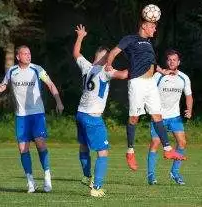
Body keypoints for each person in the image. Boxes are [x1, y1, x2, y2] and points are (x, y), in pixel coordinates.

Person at [105, 19, 186, 171]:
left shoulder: (149, 44)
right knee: (134, 118)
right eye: (153, 27)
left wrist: (163, 71)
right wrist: (109, 64)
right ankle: (130, 152)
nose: (155, 30)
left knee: (157, 116)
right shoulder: (130, 39)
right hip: (137, 82)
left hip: (150, 83)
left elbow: (152, 65)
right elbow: (114, 52)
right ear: (144, 25)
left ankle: (168, 150)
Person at [0, 45, 64, 193]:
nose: (28, 55)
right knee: (22, 148)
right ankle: (30, 182)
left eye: (29, 53)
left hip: (37, 114)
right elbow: (3, 85)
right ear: (18, 57)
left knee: (40, 144)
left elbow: (50, 84)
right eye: (25, 53)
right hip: (21, 116)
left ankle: (47, 177)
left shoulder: (37, 69)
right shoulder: (12, 71)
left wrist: (58, 101)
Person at [73, 24, 127, 197]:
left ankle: (86, 176)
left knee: (83, 146)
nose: (108, 61)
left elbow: (76, 54)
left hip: (80, 113)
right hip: (93, 117)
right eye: (107, 58)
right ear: (105, 59)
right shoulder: (105, 71)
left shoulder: (88, 66)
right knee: (103, 152)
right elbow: (125, 75)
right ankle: (96, 187)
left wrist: (81, 36)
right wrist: (140, 63)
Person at [147, 49, 193, 185]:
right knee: (155, 143)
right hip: (158, 117)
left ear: (179, 62)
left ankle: (175, 172)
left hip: (175, 117)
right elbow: (148, 91)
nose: (172, 62)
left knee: (182, 142)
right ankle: (151, 175)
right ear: (166, 62)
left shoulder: (184, 78)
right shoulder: (158, 76)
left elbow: (189, 95)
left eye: (174, 60)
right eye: (169, 60)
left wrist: (189, 110)